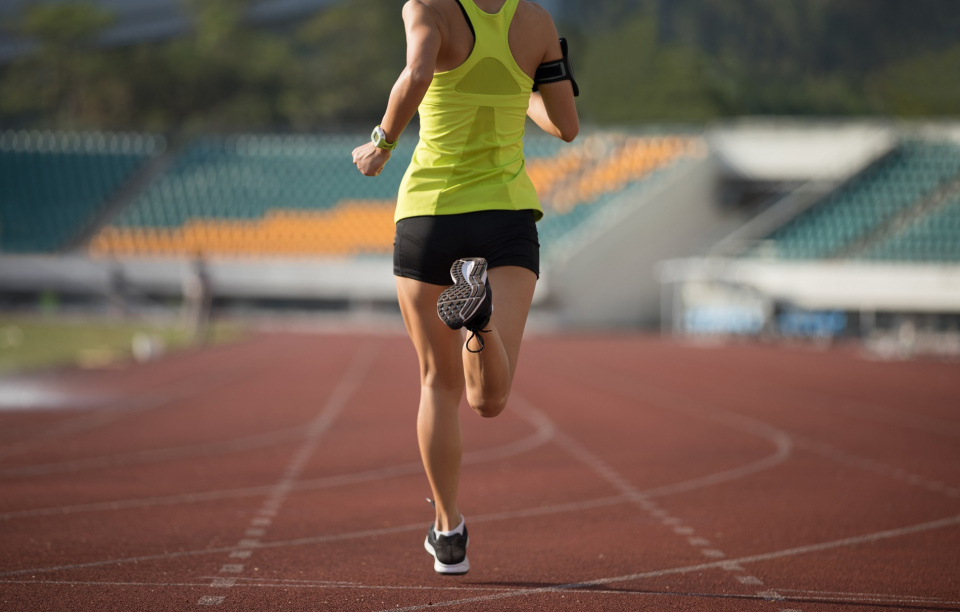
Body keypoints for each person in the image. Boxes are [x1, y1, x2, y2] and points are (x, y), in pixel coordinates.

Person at [352, 0, 579, 575]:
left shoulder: (426, 7)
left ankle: (448, 529)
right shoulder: (536, 23)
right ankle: (477, 320)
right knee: (490, 400)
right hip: (505, 218)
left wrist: (380, 142)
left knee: (438, 383)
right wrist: (515, 91)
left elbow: (420, 71)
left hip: (430, 214)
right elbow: (567, 125)